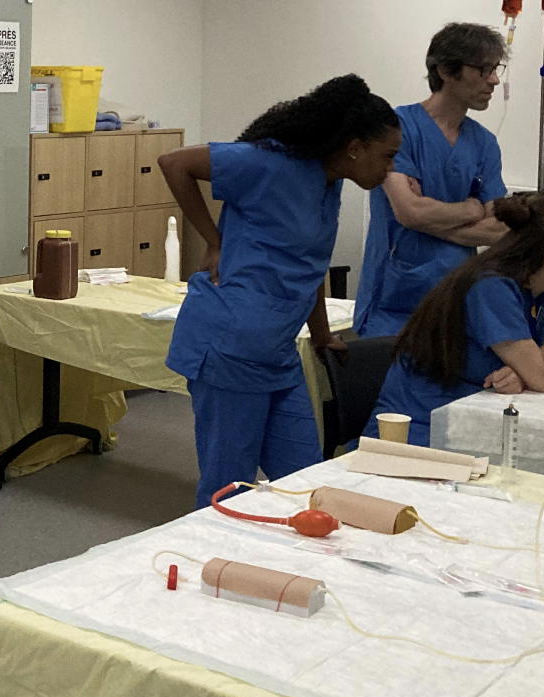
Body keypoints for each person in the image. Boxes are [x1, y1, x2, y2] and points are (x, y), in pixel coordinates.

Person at [161, 75, 402, 506]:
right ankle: (216, 567)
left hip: (277, 353)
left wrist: (323, 333)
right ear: (354, 148)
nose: (391, 169)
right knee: (229, 489)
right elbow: (174, 163)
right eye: (387, 156)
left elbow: (310, 266)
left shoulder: (330, 185)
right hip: (230, 347)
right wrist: (215, 240)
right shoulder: (269, 163)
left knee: (305, 481)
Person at [368, 193, 544, 447]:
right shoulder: (492, 287)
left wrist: (523, 374)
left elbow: (542, 367)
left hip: (474, 421)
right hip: (421, 429)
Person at [354, 23, 510, 338]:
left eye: (496, 69)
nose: (494, 80)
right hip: (394, 304)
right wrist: (471, 210)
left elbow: (499, 229)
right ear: (446, 70)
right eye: (483, 69)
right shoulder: (398, 129)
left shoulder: (484, 143)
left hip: (455, 300)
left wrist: (428, 216)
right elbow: (409, 212)